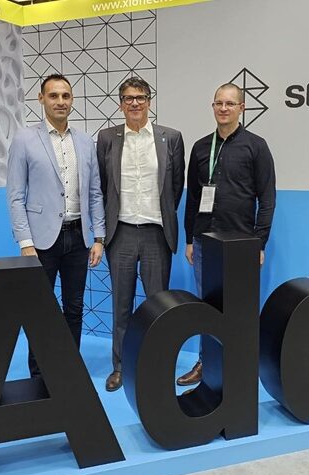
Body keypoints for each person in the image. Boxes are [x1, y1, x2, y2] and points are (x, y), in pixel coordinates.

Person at [177, 82, 276, 386]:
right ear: (213, 106)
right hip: (205, 242)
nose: (223, 108)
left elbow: (267, 198)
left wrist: (259, 242)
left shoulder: (256, 146)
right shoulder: (200, 147)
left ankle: (240, 368)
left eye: (230, 103)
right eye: (219, 103)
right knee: (207, 308)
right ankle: (206, 364)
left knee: (240, 308)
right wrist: (190, 239)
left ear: (241, 108)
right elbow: (193, 198)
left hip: (241, 244)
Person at [7, 74, 105, 378]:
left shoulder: (85, 141)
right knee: (39, 310)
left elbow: (95, 192)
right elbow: (15, 196)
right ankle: (39, 375)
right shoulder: (24, 139)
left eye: (65, 96)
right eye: (53, 96)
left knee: (74, 308)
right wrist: (25, 242)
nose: (60, 102)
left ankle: (68, 369)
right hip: (40, 242)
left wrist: (99, 236)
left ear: (72, 100)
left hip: (79, 237)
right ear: (41, 99)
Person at [97, 76, 185, 391]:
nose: (135, 103)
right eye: (128, 98)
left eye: (141, 97)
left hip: (156, 235)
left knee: (158, 307)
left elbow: (176, 186)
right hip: (120, 233)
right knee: (121, 306)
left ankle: (156, 365)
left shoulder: (170, 138)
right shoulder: (107, 138)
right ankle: (120, 367)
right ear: (121, 104)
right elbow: (103, 186)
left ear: (149, 101)